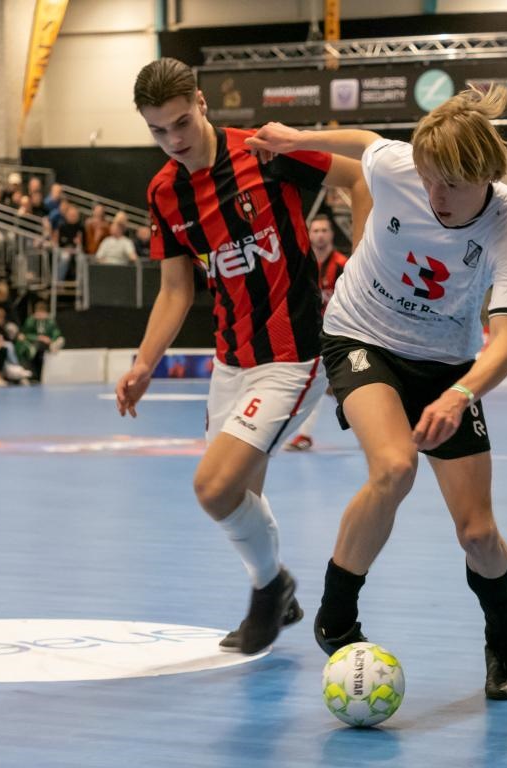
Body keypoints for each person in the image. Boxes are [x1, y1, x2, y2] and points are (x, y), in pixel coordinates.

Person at [246, 85, 507, 700]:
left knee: (478, 535)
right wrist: (296, 139)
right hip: (359, 334)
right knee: (395, 466)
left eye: (449, 186)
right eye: (427, 180)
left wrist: (459, 394)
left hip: (447, 367)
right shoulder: (401, 166)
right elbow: (366, 143)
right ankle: (336, 614)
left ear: (485, 175)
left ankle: (503, 645)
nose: (434, 197)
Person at [115, 57, 369, 656]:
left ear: (202, 103)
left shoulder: (265, 151)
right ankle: (276, 591)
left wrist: (359, 268)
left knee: (213, 487)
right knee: (239, 497)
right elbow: (176, 290)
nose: (173, 140)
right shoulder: (164, 192)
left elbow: (361, 179)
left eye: (181, 122)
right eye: (157, 130)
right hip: (230, 361)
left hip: (294, 354)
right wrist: (144, 363)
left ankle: (270, 588)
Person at [284, 214, 349, 451]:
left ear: (331, 235)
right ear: (309, 234)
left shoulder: (343, 265)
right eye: (316, 231)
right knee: (323, 385)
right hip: (311, 334)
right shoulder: (302, 265)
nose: (320, 235)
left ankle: (304, 436)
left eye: (324, 230)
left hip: (339, 335)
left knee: (326, 386)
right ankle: (304, 435)